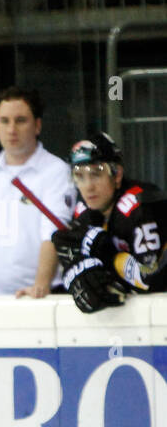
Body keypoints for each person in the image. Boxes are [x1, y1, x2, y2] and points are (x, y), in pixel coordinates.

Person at [0, 87, 75, 297]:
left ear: (37, 126)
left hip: (41, 297)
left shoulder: (56, 171)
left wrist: (40, 286)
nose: (11, 129)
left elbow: (54, 233)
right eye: (4, 121)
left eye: (20, 120)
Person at [53, 131, 167, 310]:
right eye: (79, 175)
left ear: (117, 174)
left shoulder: (138, 207)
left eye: (96, 173)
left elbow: (150, 278)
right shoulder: (84, 214)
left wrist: (108, 258)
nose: (88, 185)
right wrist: (76, 270)